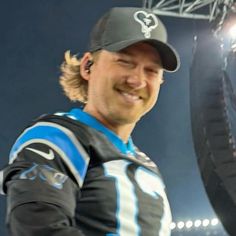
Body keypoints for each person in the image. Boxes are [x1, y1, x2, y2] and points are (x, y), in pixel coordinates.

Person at [0, 6, 179, 236]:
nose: (137, 80)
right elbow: (39, 228)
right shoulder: (57, 138)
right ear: (87, 66)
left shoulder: (147, 165)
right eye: (124, 61)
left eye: (152, 70)